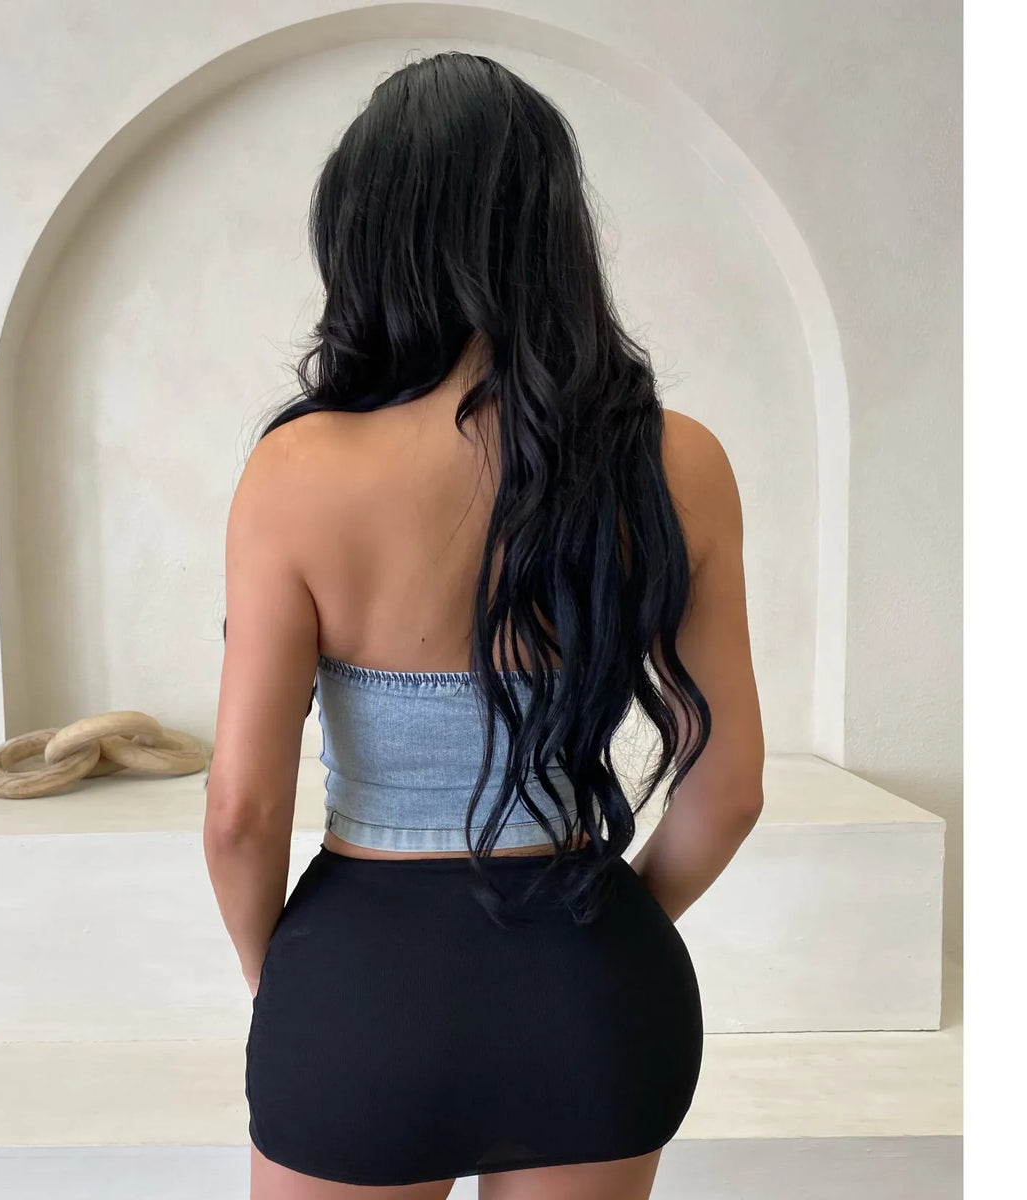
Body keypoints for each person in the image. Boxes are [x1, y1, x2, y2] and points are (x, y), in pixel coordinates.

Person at [203, 50, 765, 1200]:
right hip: (597, 994)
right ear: (556, 234)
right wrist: (605, 940)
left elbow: (241, 813)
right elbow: (732, 791)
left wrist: (287, 979)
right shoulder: (681, 461)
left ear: (362, 236)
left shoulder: (297, 471)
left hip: (363, 995)